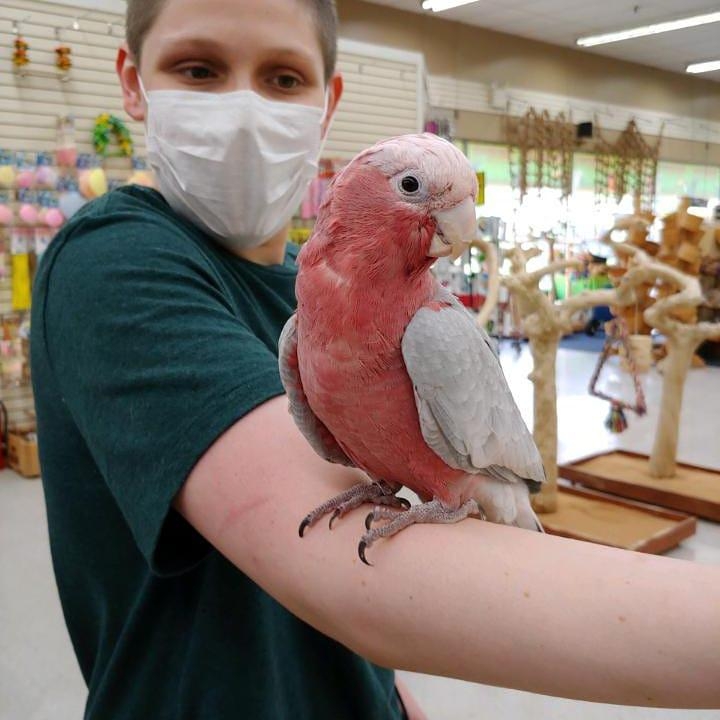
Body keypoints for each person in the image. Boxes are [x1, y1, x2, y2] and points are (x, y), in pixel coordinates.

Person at [30, 0, 720, 718]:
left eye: (283, 77)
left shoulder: (402, 316)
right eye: (198, 69)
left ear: (327, 102)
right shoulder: (114, 266)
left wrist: (391, 699)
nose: (243, 109)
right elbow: (352, 592)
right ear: (133, 81)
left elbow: (355, 620)